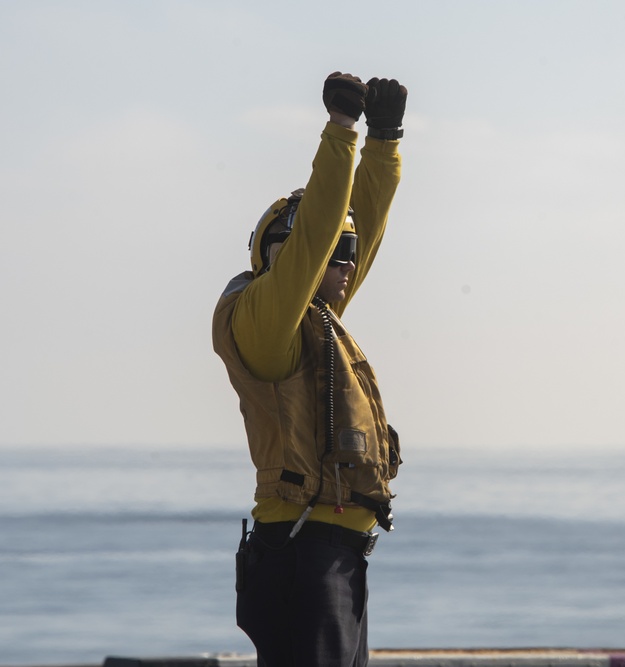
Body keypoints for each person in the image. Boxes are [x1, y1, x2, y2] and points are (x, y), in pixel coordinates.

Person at [211, 71, 406, 667]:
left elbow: (357, 228)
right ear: (281, 253)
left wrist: (384, 142)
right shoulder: (261, 321)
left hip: (337, 554)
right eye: (332, 255)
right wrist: (342, 131)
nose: (349, 264)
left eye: (347, 256)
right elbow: (320, 236)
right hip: (303, 552)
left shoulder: (316, 320)